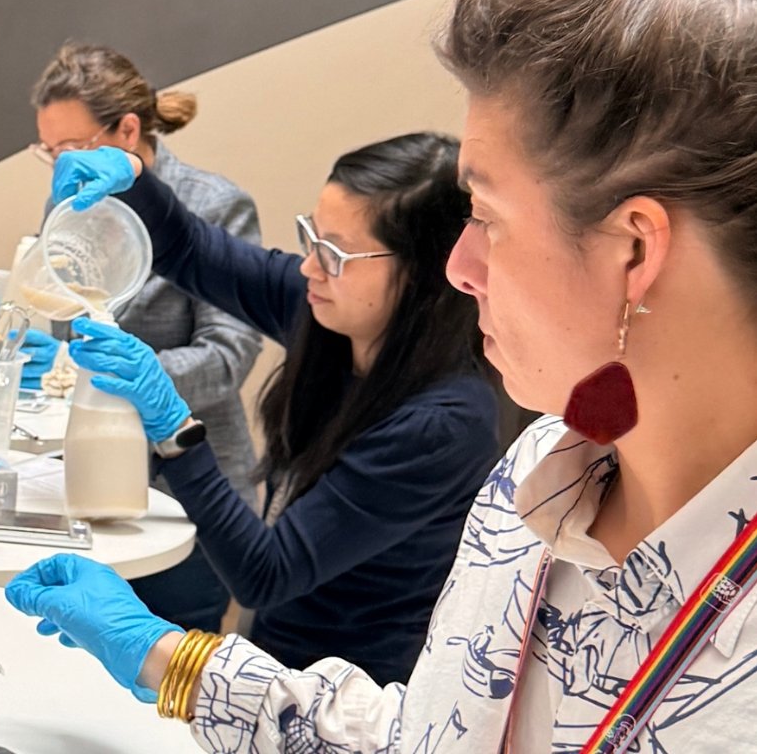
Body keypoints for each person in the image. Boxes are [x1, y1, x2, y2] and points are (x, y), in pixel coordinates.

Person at [6, 0, 757, 752]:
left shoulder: (462, 431)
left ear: (634, 253)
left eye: (484, 217)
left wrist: (175, 432)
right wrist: (167, 660)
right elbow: (434, 738)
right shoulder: (535, 485)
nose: (460, 268)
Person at [45, 127, 501, 684]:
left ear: (425, 272)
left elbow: (264, 572)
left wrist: (174, 429)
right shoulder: (328, 315)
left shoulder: (446, 423)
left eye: (334, 253)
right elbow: (193, 251)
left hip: (361, 694)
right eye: (312, 237)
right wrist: (135, 178)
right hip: (274, 658)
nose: (310, 266)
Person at [25, 42, 264, 636]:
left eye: (73, 148)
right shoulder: (74, 200)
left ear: (128, 130)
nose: (61, 168)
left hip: (183, 488)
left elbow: (230, 354)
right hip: (89, 473)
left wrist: (140, 377)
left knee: (167, 661)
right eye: (48, 152)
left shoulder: (215, 206)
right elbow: (62, 310)